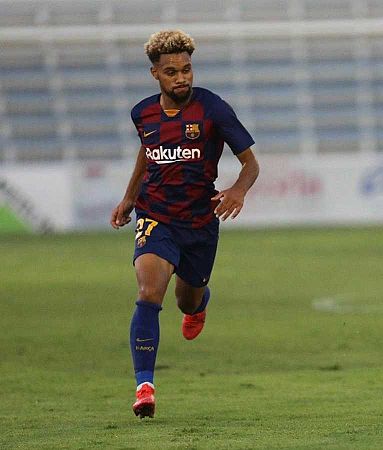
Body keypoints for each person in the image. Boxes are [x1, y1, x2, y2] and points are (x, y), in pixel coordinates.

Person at [110, 30, 260, 418]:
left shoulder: (214, 109)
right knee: (148, 292)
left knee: (186, 299)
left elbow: (251, 163)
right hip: (155, 214)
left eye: (187, 69)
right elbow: (147, 152)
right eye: (172, 71)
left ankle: (198, 305)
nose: (182, 78)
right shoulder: (142, 113)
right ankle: (145, 385)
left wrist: (238, 191)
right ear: (155, 74)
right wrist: (130, 198)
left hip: (199, 221)